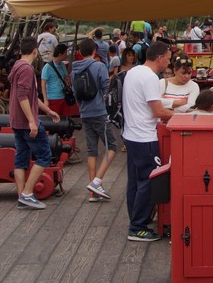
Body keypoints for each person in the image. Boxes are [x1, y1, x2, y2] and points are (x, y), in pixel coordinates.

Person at [122, 40, 175, 242]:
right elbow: (158, 111)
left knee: (135, 181)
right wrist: (180, 116)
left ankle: (135, 218)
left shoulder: (133, 72)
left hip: (131, 134)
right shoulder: (151, 78)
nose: (168, 64)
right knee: (150, 181)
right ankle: (138, 226)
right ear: (159, 58)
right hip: (145, 137)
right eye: (168, 60)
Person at [9, 36, 61, 210]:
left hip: (16, 120)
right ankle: (27, 193)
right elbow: (22, 96)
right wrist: (32, 120)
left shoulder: (17, 66)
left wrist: (48, 111)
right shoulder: (27, 69)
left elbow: (30, 96)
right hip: (26, 122)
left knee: (21, 158)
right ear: (34, 51)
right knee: (44, 155)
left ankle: (21, 197)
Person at [73, 38, 115, 203]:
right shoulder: (99, 66)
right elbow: (106, 88)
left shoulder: (74, 70)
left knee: (92, 151)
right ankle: (97, 182)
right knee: (111, 146)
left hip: (84, 113)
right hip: (99, 112)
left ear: (80, 52)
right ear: (95, 50)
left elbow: (76, 93)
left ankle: (94, 191)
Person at [40, 43, 74, 117]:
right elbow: (43, 84)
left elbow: (66, 77)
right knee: (54, 118)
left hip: (64, 96)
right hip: (53, 97)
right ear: (60, 54)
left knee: (66, 118)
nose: (66, 55)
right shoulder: (47, 67)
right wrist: (45, 100)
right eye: (65, 53)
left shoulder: (62, 65)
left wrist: (68, 81)